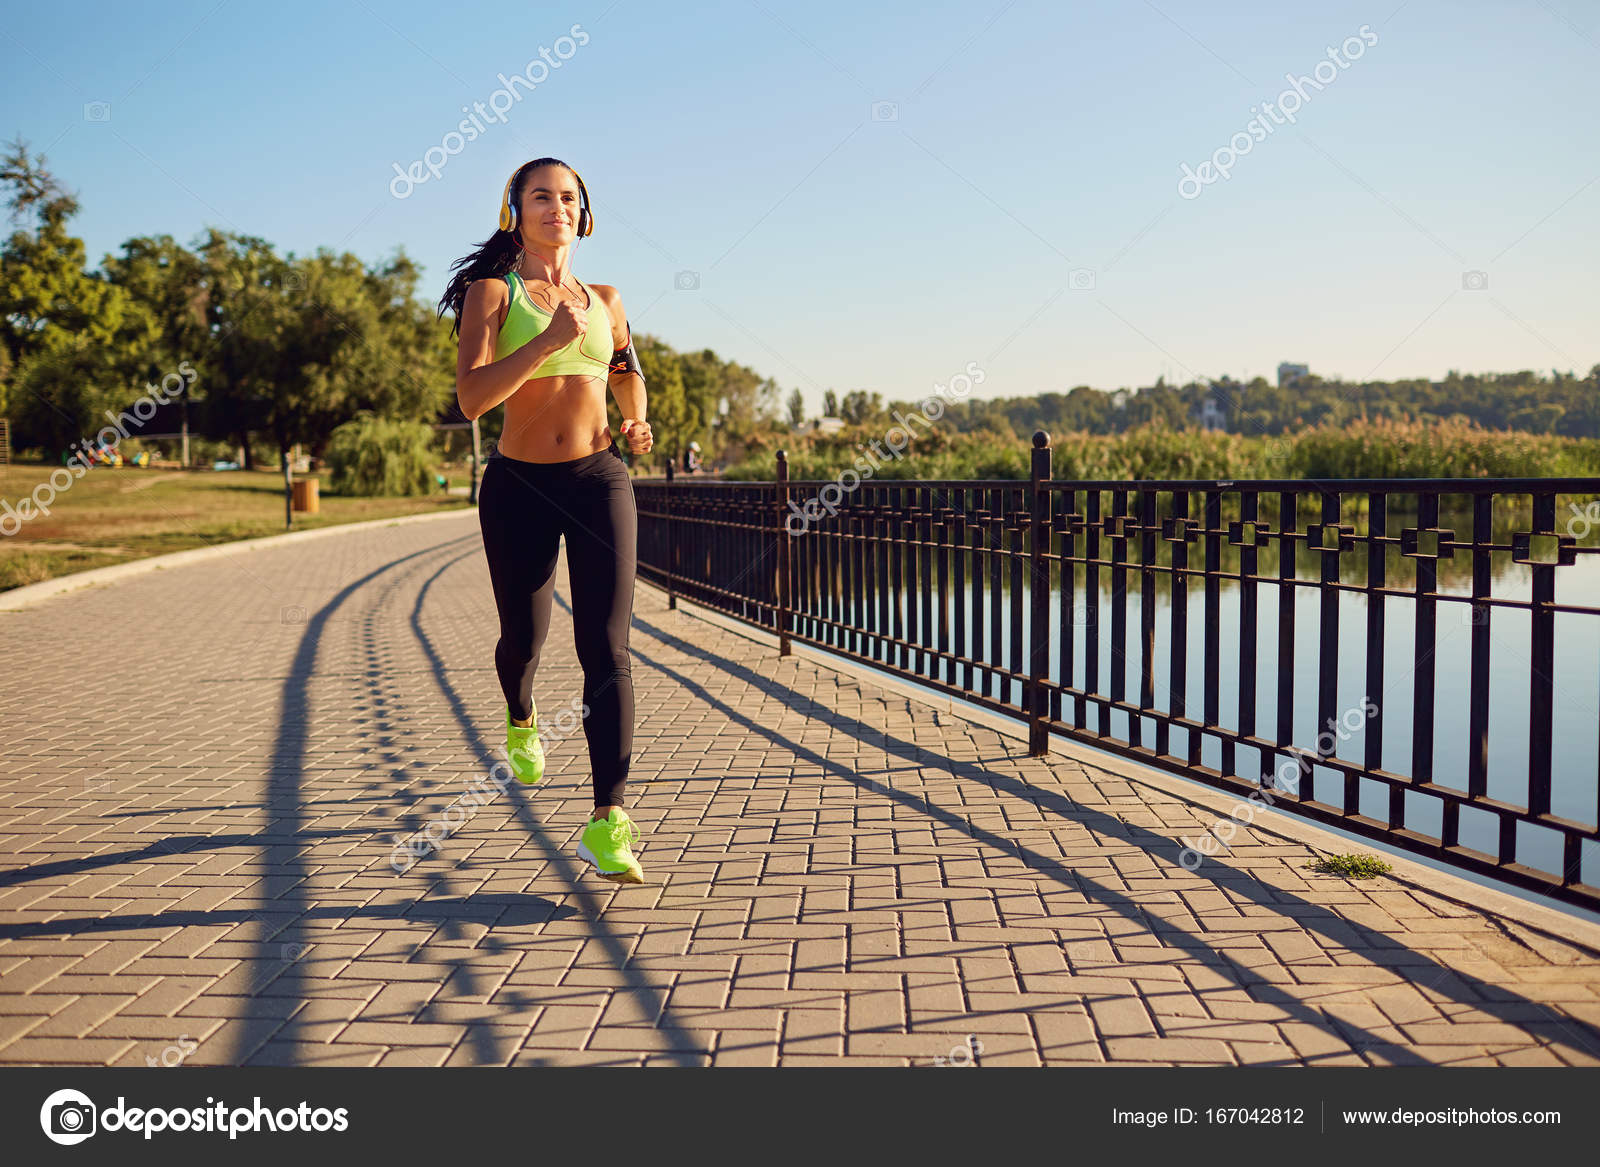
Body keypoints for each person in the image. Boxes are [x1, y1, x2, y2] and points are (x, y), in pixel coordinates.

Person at [438, 156, 653, 884]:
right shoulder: (491, 293)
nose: (556, 207)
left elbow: (625, 366)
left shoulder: (606, 297)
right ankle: (521, 711)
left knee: (608, 645)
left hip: (599, 478)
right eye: (541, 196)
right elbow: (472, 399)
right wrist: (547, 340)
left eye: (568, 197)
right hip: (519, 485)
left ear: (583, 214)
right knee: (523, 637)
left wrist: (637, 419)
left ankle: (608, 819)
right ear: (515, 211)